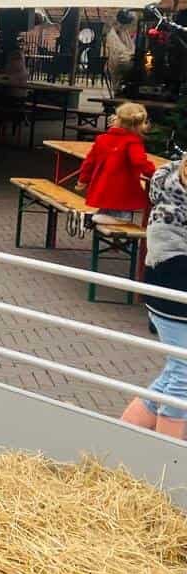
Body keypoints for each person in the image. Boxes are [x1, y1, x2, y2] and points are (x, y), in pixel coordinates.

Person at [122, 157, 187, 439]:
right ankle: (165, 458)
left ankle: (123, 434)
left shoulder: (169, 175)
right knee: (184, 373)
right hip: (176, 280)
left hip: (160, 273)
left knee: (176, 369)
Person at [77, 102, 154, 226]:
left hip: (102, 188)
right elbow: (140, 161)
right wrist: (155, 173)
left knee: (108, 211)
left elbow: (89, 163)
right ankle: (91, 218)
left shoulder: (102, 139)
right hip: (122, 190)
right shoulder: (132, 141)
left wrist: (83, 180)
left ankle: (92, 217)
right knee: (123, 219)